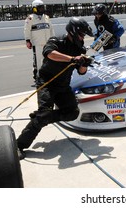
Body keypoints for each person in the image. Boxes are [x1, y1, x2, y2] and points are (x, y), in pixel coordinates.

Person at [17, 17, 94, 159]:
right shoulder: (56, 40)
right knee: (44, 114)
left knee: (72, 113)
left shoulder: (80, 48)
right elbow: (49, 54)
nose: (83, 38)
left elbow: (81, 72)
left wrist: (84, 62)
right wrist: (72, 59)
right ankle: (19, 145)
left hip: (63, 85)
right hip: (47, 82)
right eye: (81, 34)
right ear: (73, 31)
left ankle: (42, 116)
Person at [24, 0, 55, 84]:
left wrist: (53, 39)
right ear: (34, 9)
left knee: (49, 60)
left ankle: (48, 76)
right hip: (37, 44)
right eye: (40, 8)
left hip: (48, 43)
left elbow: (51, 29)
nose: (42, 9)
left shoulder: (46, 17)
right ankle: (38, 77)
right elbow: (27, 30)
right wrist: (28, 40)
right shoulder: (30, 18)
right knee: (38, 62)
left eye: (42, 8)